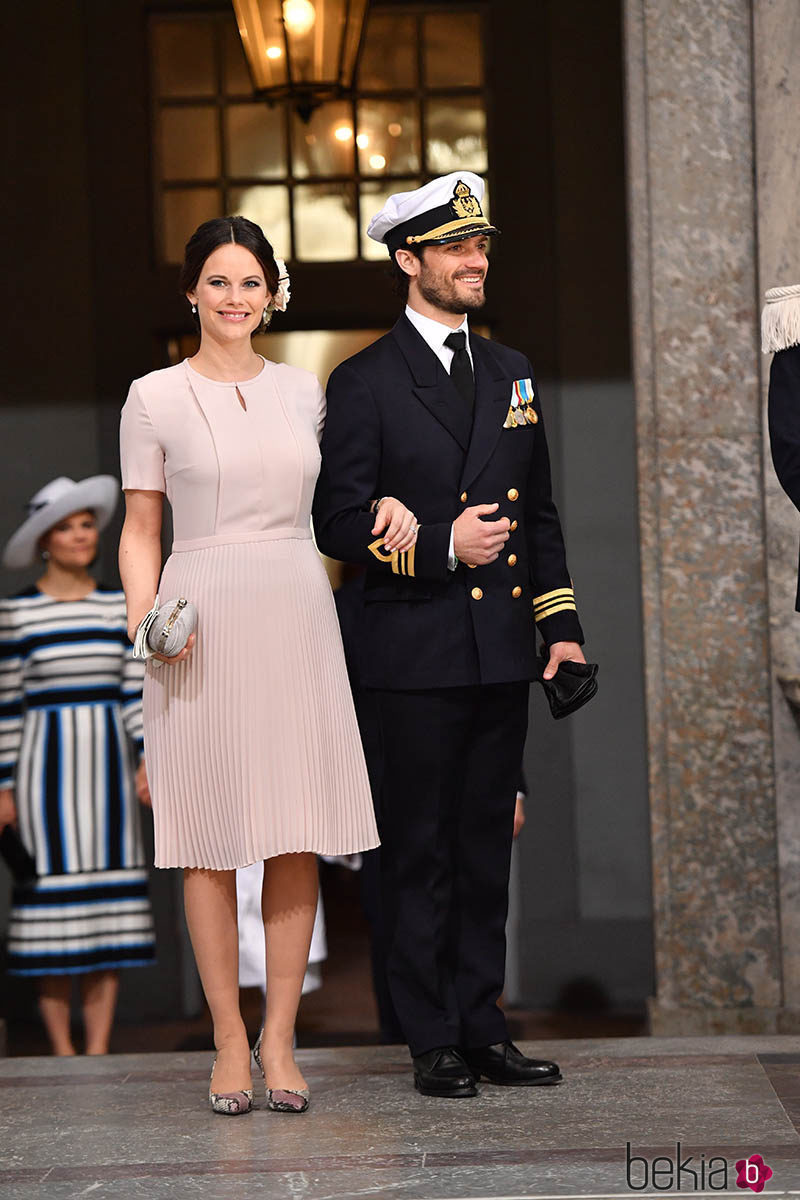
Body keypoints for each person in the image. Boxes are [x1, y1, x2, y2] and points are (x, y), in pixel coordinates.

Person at [313, 172, 587, 1097]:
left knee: (482, 847)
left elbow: (538, 513)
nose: (476, 262)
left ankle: (481, 1026)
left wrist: (562, 629)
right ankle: (426, 1035)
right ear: (409, 261)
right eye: (458, 249)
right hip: (410, 655)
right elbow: (338, 523)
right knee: (417, 853)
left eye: (481, 248)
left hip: (499, 651)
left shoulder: (511, 372)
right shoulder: (362, 382)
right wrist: (440, 545)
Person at [118, 215, 379, 1115]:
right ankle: (228, 1037)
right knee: (207, 836)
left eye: (251, 282)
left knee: (294, 828)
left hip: (296, 602)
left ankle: (279, 1037)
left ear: (273, 294)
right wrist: (148, 625)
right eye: (219, 281)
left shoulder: (304, 393)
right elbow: (141, 530)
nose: (236, 297)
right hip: (197, 615)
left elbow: (342, 498)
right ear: (191, 290)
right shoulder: (150, 396)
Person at [0, 476, 155, 1055]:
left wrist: (147, 759)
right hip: (43, 771)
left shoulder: (120, 604)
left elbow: (133, 691)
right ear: (45, 539)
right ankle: (62, 1053)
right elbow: (7, 704)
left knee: (105, 912)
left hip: (107, 771)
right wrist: (4, 787)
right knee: (51, 910)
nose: (80, 534)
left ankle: (98, 1051)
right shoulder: (16, 614)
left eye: (87, 523)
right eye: (65, 526)